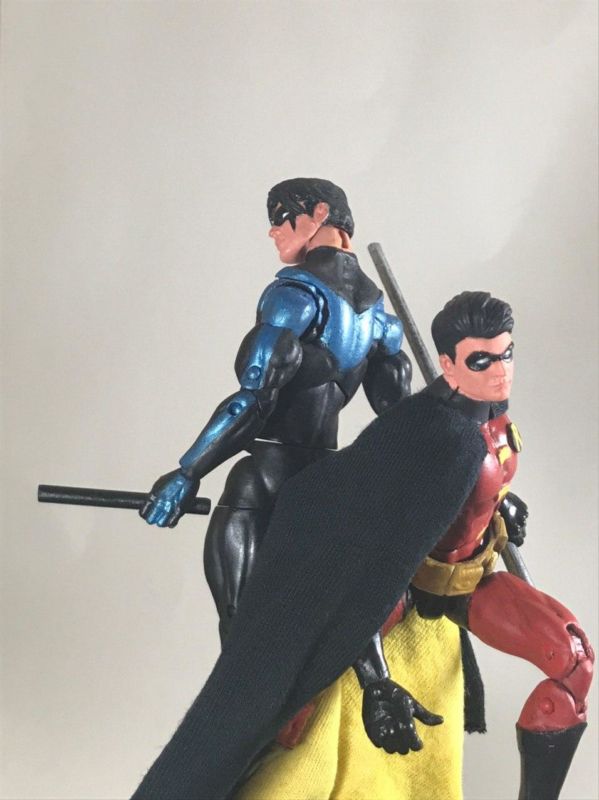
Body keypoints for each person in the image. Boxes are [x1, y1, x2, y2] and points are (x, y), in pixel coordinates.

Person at [140, 177, 412, 644]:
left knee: (242, 633)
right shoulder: (380, 321)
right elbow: (403, 430)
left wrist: (187, 473)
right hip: (326, 481)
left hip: (264, 483)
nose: (272, 230)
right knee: (324, 629)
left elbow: (251, 400)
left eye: (281, 216)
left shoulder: (294, 298)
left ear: (320, 214)